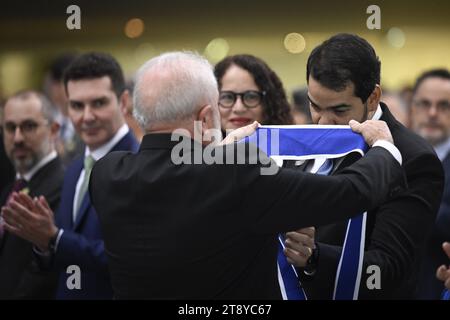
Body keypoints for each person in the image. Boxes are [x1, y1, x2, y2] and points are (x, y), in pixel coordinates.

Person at [87, 51, 405, 299]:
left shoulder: (106, 174)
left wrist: (216, 156)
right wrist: (384, 146)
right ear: (206, 115)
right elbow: (353, 192)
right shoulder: (236, 172)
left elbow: (178, 186)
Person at [283, 34, 444, 299]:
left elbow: (388, 268)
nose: (323, 122)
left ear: (372, 98)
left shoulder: (414, 159)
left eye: (339, 110)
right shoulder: (300, 141)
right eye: (314, 106)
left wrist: (314, 257)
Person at [1, 52, 139, 299]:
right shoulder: (75, 168)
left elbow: (131, 259)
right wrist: (44, 244)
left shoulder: (141, 166)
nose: (86, 117)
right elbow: (61, 263)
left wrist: (55, 237)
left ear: (123, 102)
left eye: (98, 103)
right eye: (76, 106)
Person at [0, 90, 64, 299]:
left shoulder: (64, 186)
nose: (17, 138)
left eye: (29, 126)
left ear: (53, 130)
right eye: (10, 128)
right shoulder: (9, 190)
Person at [411, 69, 450, 299]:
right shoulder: (388, 157)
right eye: (425, 104)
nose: (433, 113)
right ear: (413, 107)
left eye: (444, 105)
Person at [214, 54, 293, 135]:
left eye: (251, 97)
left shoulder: (291, 147)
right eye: (228, 97)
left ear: (270, 102)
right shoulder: (201, 146)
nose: (239, 108)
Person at [43, 53, 84, 164]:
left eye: (59, 82)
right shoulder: (45, 121)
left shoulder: (88, 122)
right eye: (53, 83)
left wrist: (63, 156)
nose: (54, 89)